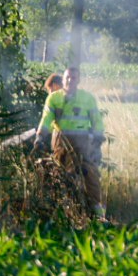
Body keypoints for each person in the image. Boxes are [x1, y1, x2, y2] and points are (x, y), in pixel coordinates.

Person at [37, 65, 106, 217]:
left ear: (79, 80)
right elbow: (46, 118)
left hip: (83, 142)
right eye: (67, 77)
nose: (70, 80)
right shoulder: (54, 98)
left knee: (90, 173)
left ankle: (97, 212)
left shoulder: (87, 98)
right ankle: (61, 209)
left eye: (73, 77)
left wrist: (98, 136)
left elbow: (96, 120)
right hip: (60, 141)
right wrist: (40, 135)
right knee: (60, 173)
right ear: (63, 79)